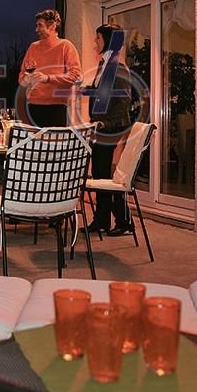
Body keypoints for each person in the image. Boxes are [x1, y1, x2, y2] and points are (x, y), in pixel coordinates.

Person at [83, 23, 135, 236]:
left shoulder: (118, 67)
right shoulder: (105, 64)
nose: (95, 42)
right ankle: (103, 220)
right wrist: (86, 90)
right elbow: (105, 93)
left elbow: (123, 102)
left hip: (110, 128)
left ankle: (123, 221)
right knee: (100, 174)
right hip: (101, 127)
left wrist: (105, 124)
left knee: (104, 175)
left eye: (98, 38)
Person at [18, 9, 81, 127]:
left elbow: (75, 75)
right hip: (33, 107)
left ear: (52, 25)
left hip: (56, 108)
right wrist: (26, 79)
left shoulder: (65, 46)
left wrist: (47, 78)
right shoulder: (33, 47)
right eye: (37, 25)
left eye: (40, 25)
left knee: (53, 139)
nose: (36, 29)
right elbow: (22, 76)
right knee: (33, 139)